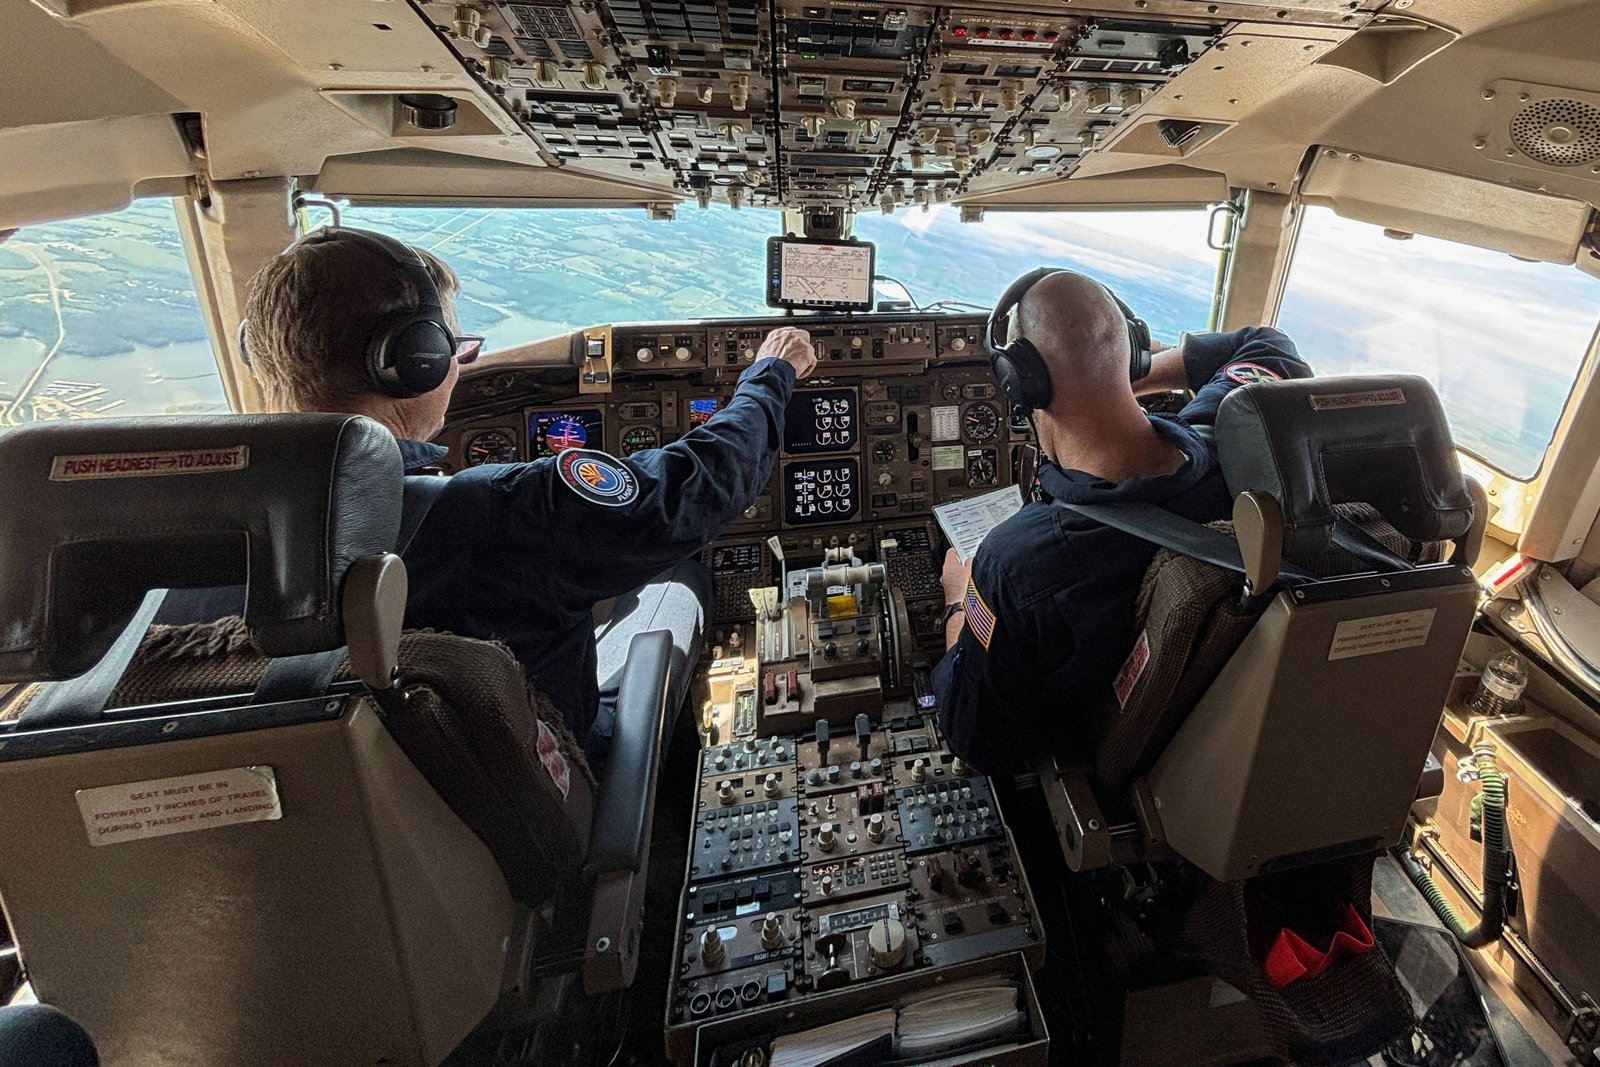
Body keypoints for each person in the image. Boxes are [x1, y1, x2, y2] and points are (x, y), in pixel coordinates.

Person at [240, 227, 816, 748]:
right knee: (676, 574)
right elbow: (696, 488)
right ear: (417, 362)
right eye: (454, 348)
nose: (460, 366)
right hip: (546, 779)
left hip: (416, 792)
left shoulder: (190, 532)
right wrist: (769, 375)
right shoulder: (491, 512)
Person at [931, 269, 1310, 773]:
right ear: (1132, 352)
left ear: (1021, 384)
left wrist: (959, 598)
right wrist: (1116, 376)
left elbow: (975, 738)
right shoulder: (1235, 444)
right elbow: (1267, 345)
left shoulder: (1015, 563)